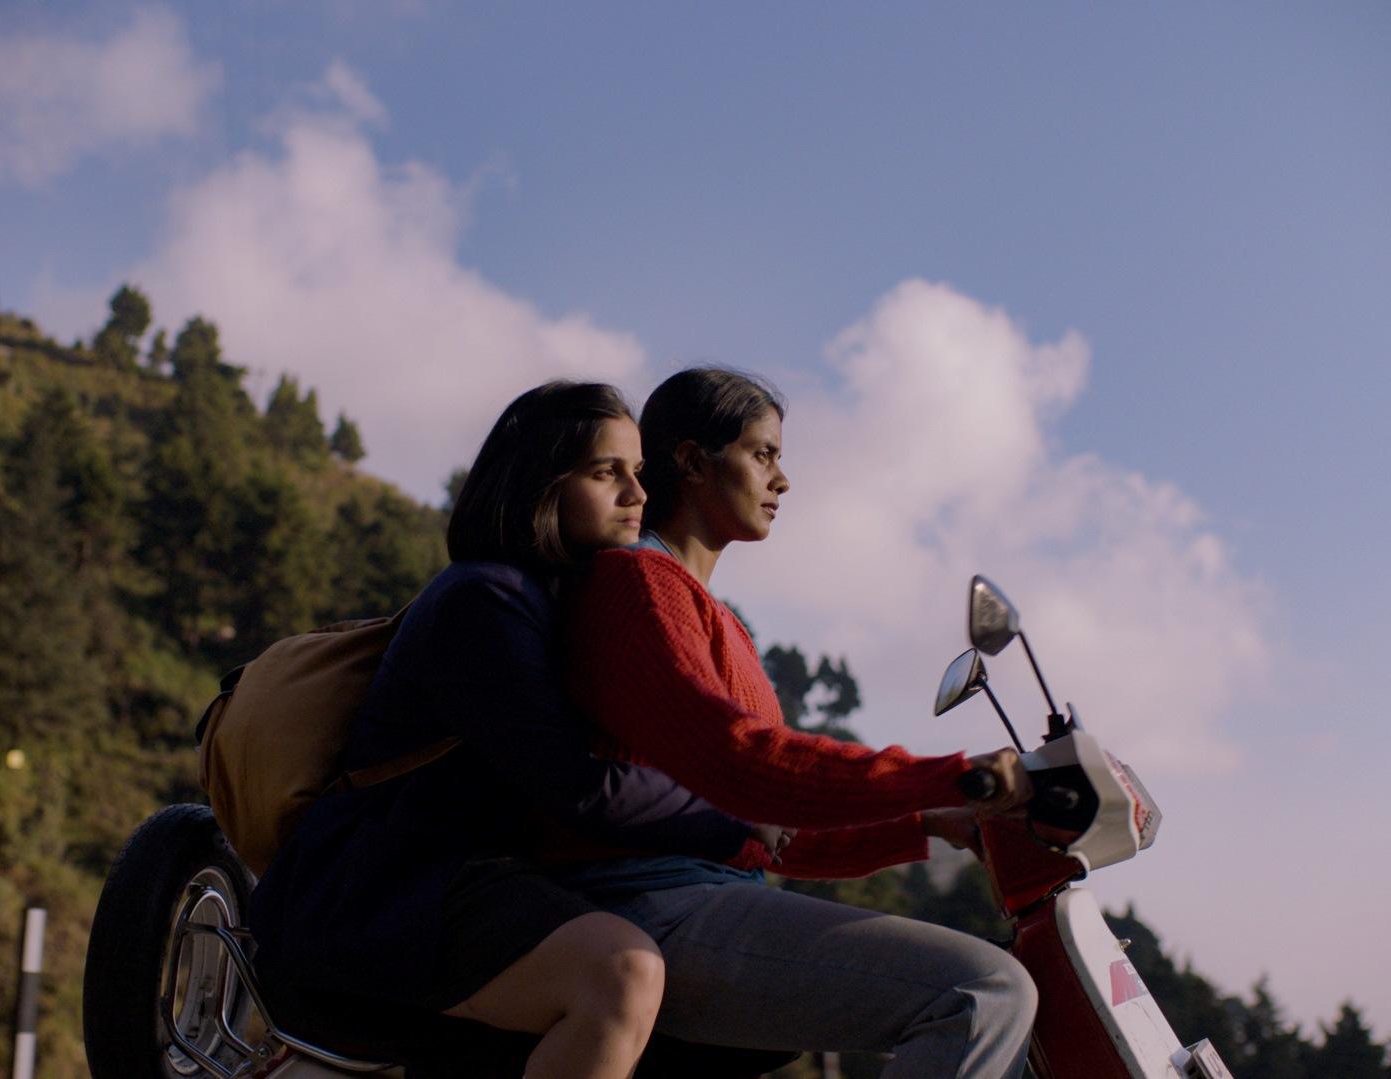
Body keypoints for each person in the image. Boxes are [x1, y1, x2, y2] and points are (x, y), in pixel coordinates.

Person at [248, 381, 770, 1079]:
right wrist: (732, 818)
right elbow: (578, 787)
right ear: (541, 483)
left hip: (461, 894)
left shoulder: (556, 601)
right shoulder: (484, 600)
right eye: (604, 472)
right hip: (380, 896)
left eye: (638, 473)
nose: (636, 494)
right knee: (620, 972)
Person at [560, 368, 1039, 1077]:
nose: (782, 480)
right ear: (691, 460)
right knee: (983, 990)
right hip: (648, 903)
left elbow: (772, 837)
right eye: (762, 454)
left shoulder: (717, 620)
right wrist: (946, 773)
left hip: (708, 897)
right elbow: (740, 763)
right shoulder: (635, 584)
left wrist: (930, 821)